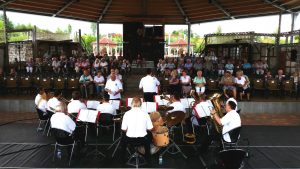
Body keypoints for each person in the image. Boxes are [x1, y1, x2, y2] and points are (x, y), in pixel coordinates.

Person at [120, 97, 153, 163]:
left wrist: (131, 131)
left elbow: (123, 129)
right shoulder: (145, 113)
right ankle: (148, 158)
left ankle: (122, 159)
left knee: (123, 138)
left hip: (130, 139)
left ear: (131, 104)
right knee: (149, 135)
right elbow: (150, 128)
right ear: (141, 104)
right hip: (142, 139)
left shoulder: (127, 114)